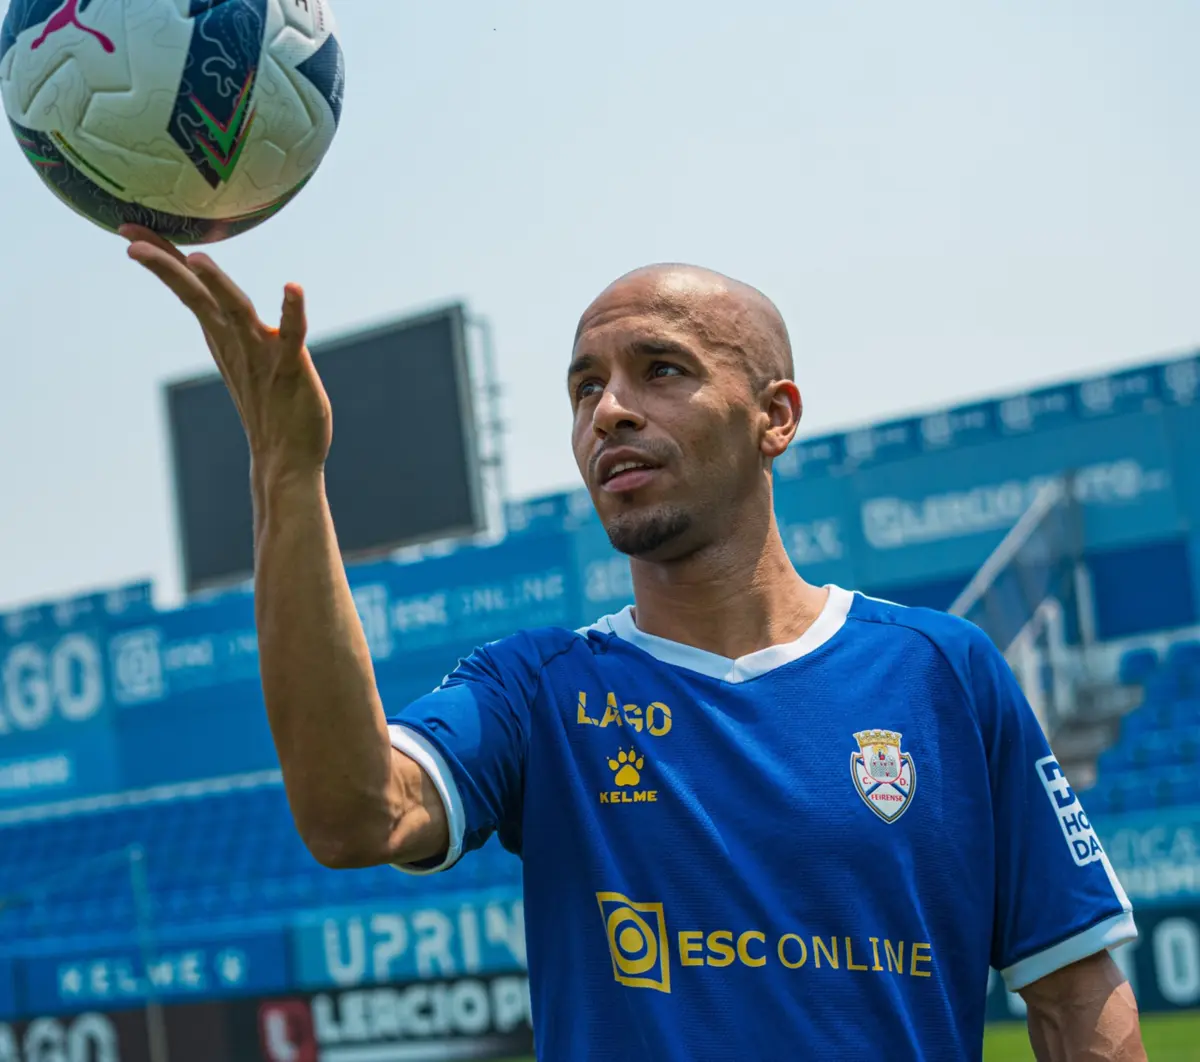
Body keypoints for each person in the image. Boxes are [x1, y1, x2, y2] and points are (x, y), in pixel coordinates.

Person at [122, 224, 1147, 1062]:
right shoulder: (539, 690)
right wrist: (288, 472)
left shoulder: (945, 673)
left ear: (775, 416)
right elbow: (356, 816)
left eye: (660, 371)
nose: (608, 411)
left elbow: (1074, 997)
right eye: (585, 388)